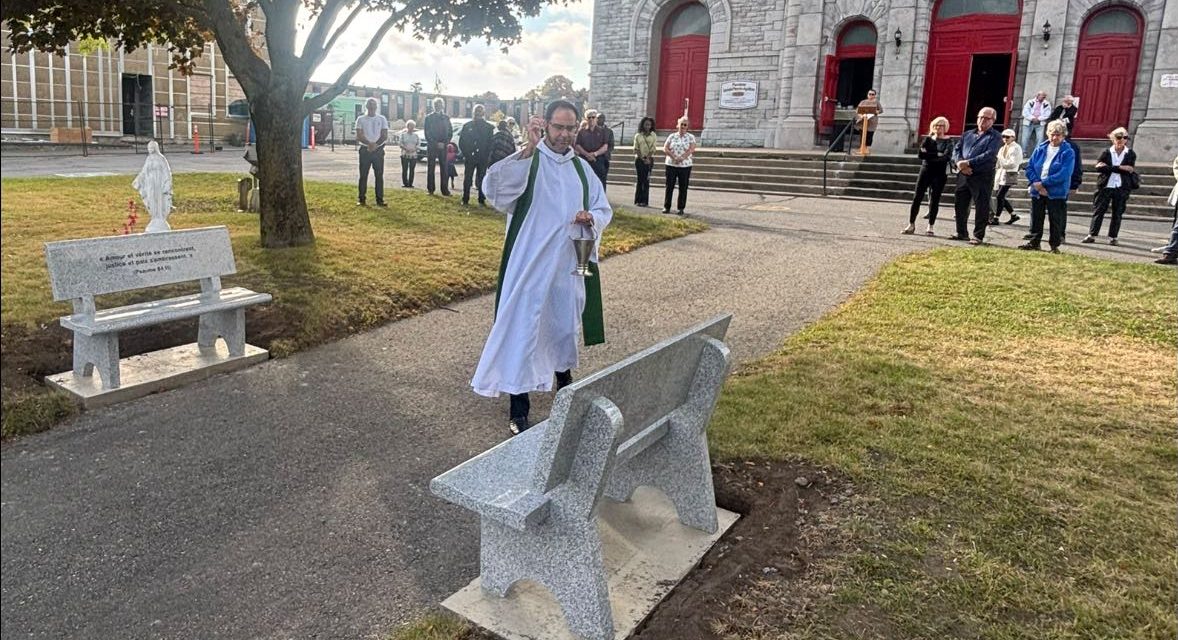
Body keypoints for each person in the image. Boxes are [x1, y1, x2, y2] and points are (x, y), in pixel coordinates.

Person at [472, 99, 613, 435]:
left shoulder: (582, 169)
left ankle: (565, 386)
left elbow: (602, 207)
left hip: (566, 266)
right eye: (558, 127)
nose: (564, 134)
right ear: (545, 125)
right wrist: (525, 151)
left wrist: (591, 218)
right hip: (530, 266)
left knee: (563, 327)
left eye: (570, 128)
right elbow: (495, 191)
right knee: (526, 329)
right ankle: (518, 407)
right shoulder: (530, 161)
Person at [1019, 120, 1075, 254]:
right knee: (1036, 217)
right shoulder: (1040, 148)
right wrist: (1036, 183)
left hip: (1056, 191)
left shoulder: (1068, 152)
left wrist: (1044, 183)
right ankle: (1034, 242)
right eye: (1052, 134)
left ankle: (1054, 245)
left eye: (1058, 134)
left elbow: (1065, 173)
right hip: (1037, 189)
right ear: (1047, 133)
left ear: (1063, 135)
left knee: (1055, 219)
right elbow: (1030, 167)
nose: (1054, 137)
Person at [951, 106, 1002, 244]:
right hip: (963, 174)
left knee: (981, 206)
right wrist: (960, 164)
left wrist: (968, 162)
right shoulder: (967, 134)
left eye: (987, 118)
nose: (982, 121)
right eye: (980, 117)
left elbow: (989, 154)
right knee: (960, 204)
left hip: (981, 175)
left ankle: (978, 235)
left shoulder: (995, 137)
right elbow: (956, 150)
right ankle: (961, 232)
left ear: (993, 120)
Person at [1083, 127, 1137, 245]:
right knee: (1099, 210)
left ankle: (1113, 236)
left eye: (1125, 138)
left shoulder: (1130, 153)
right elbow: (1099, 167)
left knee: (1117, 212)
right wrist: (1119, 168)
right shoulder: (1106, 152)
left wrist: (1111, 168)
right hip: (1106, 185)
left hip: (1121, 186)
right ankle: (1092, 234)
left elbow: (1129, 169)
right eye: (1119, 137)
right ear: (1113, 138)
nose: (1122, 140)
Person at [906, 116, 952, 236]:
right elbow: (921, 155)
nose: (938, 128)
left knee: (934, 199)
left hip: (939, 173)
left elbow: (946, 157)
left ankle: (930, 226)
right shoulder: (927, 140)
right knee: (917, 197)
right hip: (925, 171)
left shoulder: (949, 141)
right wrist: (936, 154)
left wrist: (931, 155)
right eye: (936, 125)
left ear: (945, 127)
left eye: (941, 125)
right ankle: (911, 224)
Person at [458, 104, 496, 207]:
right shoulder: (467, 126)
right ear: (473, 113)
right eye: (476, 111)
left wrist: (487, 156)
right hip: (470, 156)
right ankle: (465, 198)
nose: (478, 113)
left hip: (482, 157)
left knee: (482, 178)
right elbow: (462, 142)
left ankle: (481, 199)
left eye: (480, 111)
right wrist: (467, 154)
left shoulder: (488, 128)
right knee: (468, 178)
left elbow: (490, 144)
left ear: (483, 113)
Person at [133, 140, 175, 232]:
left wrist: (167, 184)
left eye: (152, 148)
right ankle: (154, 216)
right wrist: (138, 180)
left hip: (159, 183)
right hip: (150, 184)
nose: (150, 150)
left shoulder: (161, 159)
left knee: (159, 199)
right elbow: (144, 172)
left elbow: (167, 172)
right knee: (151, 199)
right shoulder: (148, 159)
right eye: (149, 148)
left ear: (156, 148)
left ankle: (160, 217)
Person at [354, 97, 388, 207]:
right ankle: (361, 198)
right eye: (370, 105)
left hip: (378, 150)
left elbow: (384, 135)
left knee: (379, 175)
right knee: (363, 175)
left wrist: (375, 145)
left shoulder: (382, 119)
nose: (372, 107)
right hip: (365, 150)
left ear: (376, 107)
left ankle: (380, 199)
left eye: (374, 105)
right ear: (367, 106)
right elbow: (359, 135)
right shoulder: (361, 119)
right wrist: (369, 144)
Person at [662, 116, 696, 215]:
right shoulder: (672, 136)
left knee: (683, 187)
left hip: (685, 166)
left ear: (687, 127)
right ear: (678, 125)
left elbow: (691, 149)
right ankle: (666, 206)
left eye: (685, 125)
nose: (683, 126)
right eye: (681, 124)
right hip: (671, 164)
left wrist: (682, 158)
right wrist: (674, 157)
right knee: (669, 186)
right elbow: (665, 148)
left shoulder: (691, 137)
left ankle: (680, 208)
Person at [992, 128, 1023, 225]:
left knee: (1000, 196)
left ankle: (996, 218)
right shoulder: (1003, 148)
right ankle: (1013, 215)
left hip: (1010, 173)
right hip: (1001, 173)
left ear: (1013, 137)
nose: (1005, 138)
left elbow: (1013, 163)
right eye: (1003, 136)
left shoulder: (1015, 148)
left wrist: (1002, 163)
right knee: (1000, 196)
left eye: (1007, 137)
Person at [575, 109, 611, 190]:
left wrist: (594, 154)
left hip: (598, 159)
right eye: (589, 117)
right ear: (586, 119)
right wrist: (587, 154)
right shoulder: (581, 132)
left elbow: (605, 146)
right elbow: (577, 145)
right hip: (584, 159)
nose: (591, 119)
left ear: (596, 119)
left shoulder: (602, 131)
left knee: (600, 181)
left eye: (593, 117)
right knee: (584, 180)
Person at [423, 97, 452, 196]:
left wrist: (445, 143)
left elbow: (450, 133)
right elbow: (427, 133)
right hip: (432, 146)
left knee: (444, 168)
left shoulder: (446, 118)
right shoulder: (428, 118)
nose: (438, 106)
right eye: (436, 104)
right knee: (431, 167)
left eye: (440, 104)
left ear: (442, 105)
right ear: (433, 106)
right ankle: (430, 189)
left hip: (443, 147)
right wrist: (436, 143)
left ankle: (445, 190)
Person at [633, 116, 657, 207]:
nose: (648, 126)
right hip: (639, 159)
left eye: (649, 125)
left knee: (646, 180)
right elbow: (636, 148)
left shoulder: (653, 135)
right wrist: (642, 158)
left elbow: (653, 148)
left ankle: (645, 201)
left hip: (649, 160)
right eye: (646, 124)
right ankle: (638, 200)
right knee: (640, 180)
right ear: (642, 125)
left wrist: (648, 158)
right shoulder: (638, 135)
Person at [398, 119, 420, 188]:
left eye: (413, 126)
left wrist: (415, 149)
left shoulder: (416, 135)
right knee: (405, 169)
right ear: (407, 126)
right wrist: (405, 148)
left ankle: (410, 183)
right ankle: (405, 183)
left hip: (413, 155)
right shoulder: (403, 135)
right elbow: (400, 143)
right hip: (405, 154)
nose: (411, 128)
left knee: (412, 170)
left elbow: (418, 144)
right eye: (410, 126)